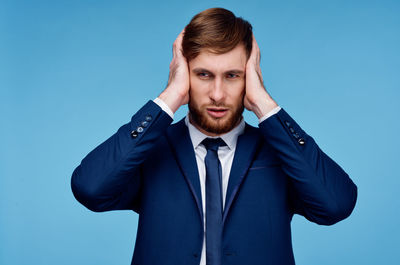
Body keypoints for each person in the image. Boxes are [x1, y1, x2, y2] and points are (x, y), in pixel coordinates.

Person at [71, 7, 357, 265]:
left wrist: (266, 105)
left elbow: (336, 205)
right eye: (204, 75)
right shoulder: (152, 150)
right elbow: (90, 189)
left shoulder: (279, 153)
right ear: (184, 75)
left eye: (232, 75)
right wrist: (169, 97)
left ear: (250, 76)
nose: (218, 95)